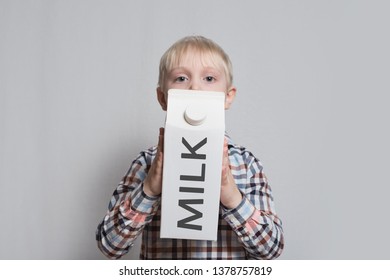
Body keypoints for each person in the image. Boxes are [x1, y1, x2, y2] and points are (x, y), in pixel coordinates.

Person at [96, 35, 284, 260]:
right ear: (162, 97)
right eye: (182, 78)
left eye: (209, 78)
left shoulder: (245, 164)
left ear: (228, 97)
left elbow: (271, 250)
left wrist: (232, 196)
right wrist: (149, 189)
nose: (195, 87)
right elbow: (109, 246)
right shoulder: (146, 163)